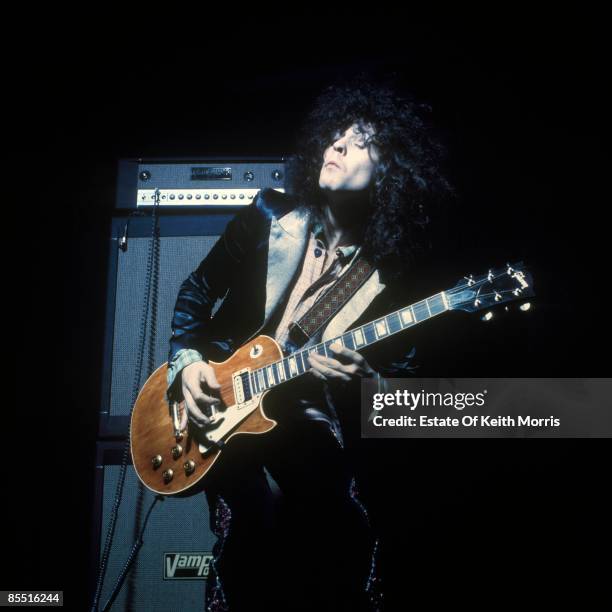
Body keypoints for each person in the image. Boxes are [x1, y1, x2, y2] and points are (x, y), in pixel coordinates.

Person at [166, 78, 453, 611]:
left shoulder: (392, 275)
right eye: (336, 134)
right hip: (232, 422)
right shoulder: (268, 216)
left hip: (320, 443)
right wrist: (186, 365)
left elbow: (411, 394)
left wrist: (368, 383)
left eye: (360, 139)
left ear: (390, 171)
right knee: (251, 547)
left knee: (337, 553)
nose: (338, 145)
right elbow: (196, 293)